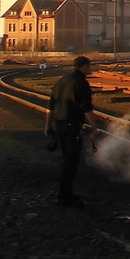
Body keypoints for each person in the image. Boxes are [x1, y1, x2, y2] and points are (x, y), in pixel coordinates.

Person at [45, 55, 97, 207]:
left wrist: (47, 126)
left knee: (66, 158)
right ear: (85, 67)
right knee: (71, 161)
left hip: (59, 125)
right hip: (72, 126)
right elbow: (86, 107)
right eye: (89, 67)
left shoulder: (61, 81)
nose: (90, 70)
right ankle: (65, 195)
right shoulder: (81, 83)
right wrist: (94, 127)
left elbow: (50, 106)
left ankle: (64, 192)